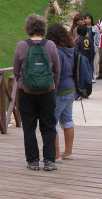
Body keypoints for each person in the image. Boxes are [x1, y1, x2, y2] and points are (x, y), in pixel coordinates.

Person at [13, 14, 60, 172]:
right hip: (47, 91)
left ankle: (33, 161)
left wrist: (23, 83)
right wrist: (52, 84)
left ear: (27, 28)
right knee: (48, 126)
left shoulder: (21, 45)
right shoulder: (51, 45)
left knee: (29, 126)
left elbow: (16, 71)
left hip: (26, 91)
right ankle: (49, 161)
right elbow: (57, 70)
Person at [46, 23, 76, 162]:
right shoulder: (70, 49)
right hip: (71, 87)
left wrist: (52, 91)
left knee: (52, 122)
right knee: (68, 120)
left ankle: (56, 154)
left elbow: (57, 73)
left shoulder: (57, 52)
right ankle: (68, 151)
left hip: (60, 90)